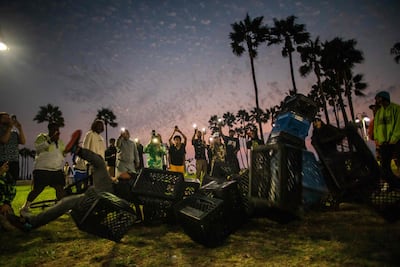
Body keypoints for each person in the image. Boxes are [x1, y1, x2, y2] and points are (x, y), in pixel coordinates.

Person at [6, 130, 132, 231]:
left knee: (98, 162)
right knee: (68, 201)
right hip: (108, 192)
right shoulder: (142, 186)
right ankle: (29, 223)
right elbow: (125, 177)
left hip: (110, 194)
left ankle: (76, 150)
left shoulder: (139, 184)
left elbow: (125, 176)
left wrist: (120, 177)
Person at [20, 123, 66, 217]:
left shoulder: (60, 141)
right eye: (54, 129)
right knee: (38, 189)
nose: (57, 132)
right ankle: (25, 207)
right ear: (49, 129)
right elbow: (38, 148)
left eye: (58, 130)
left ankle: (61, 208)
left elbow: (63, 153)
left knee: (60, 189)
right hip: (42, 169)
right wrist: (50, 141)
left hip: (56, 170)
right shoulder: (42, 137)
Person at [373, 91, 400, 188]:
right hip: (384, 144)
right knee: (385, 167)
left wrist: (394, 139)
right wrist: (377, 140)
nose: (377, 101)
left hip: (395, 142)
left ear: (384, 98)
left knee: (397, 163)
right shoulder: (379, 112)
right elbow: (376, 127)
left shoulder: (396, 109)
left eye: (379, 98)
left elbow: (398, 126)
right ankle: (394, 185)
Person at [75, 119, 106, 184]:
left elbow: (103, 153)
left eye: (101, 126)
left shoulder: (101, 138)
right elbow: (85, 147)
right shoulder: (90, 134)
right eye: (98, 126)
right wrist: (87, 162)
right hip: (91, 163)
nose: (99, 127)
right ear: (95, 126)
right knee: (90, 182)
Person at [0, 113, 26, 180]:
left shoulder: (14, 132)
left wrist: (20, 128)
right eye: (5, 118)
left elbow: (23, 142)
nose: (8, 119)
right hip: (3, 162)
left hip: (14, 162)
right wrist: (10, 127)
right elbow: (4, 140)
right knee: (3, 182)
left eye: (8, 118)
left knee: (13, 183)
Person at [0, 161, 17, 231]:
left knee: (12, 221)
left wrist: (7, 204)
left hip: (4, 207)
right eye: (4, 164)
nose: (7, 166)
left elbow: (12, 191)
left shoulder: (8, 177)